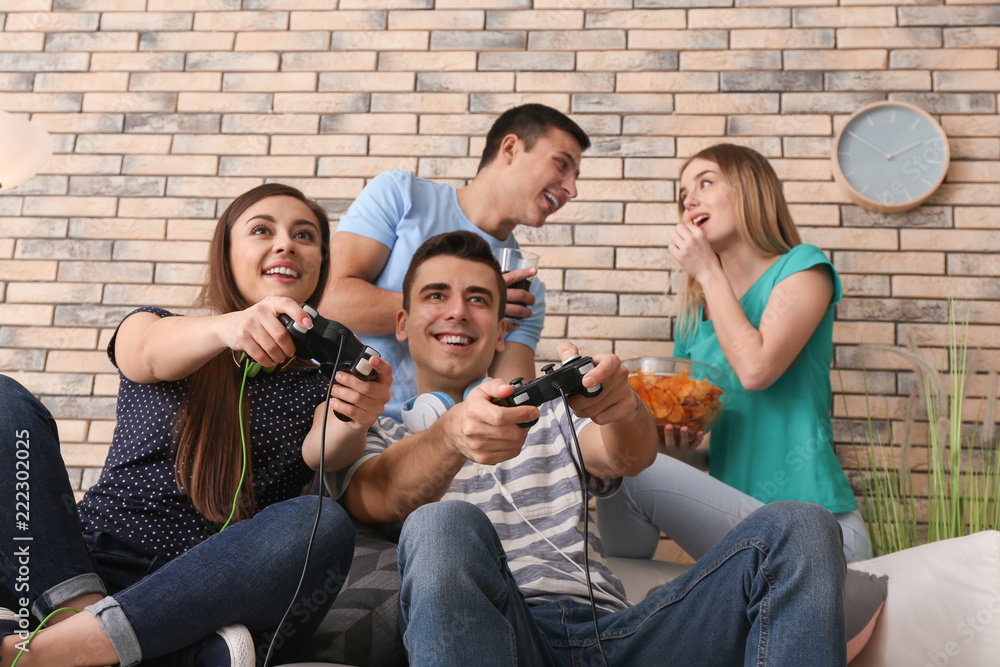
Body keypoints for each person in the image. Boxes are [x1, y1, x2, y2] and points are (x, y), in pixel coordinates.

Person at [328, 231, 848, 666]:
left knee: (802, 525)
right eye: (436, 296)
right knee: (441, 524)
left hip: (613, 637)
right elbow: (380, 496)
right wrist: (450, 432)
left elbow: (627, 456)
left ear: (502, 329)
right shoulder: (374, 429)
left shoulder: (552, 413)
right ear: (402, 324)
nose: (458, 313)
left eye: (479, 299)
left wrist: (622, 409)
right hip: (504, 641)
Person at [0, 184, 392, 667]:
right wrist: (229, 327)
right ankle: (78, 627)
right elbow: (145, 353)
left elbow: (324, 451)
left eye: (305, 235)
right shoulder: (159, 326)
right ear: (226, 253)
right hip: (82, 565)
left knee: (322, 524)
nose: (286, 244)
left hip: (203, 599)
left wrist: (357, 412)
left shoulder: (321, 384)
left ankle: (52, 649)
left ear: (320, 263)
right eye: (262, 229)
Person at [597, 143, 872, 565]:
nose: (689, 199)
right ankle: (619, 612)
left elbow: (756, 370)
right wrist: (676, 450)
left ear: (750, 191)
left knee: (630, 468)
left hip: (818, 529)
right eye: (683, 192)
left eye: (705, 183)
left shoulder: (803, 267)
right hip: (740, 527)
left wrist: (707, 270)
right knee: (624, 467)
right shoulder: (696, 315)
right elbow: (710, 444)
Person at [320, 103, 590, 422]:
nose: (572, 189)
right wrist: (470, 309)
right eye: (561, 164)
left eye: (575, 176)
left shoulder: (523, 289)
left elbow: (516, 401)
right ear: (511, 148)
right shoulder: (400, 196)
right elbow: (327, 301)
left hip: (450, 444)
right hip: (343, 428)